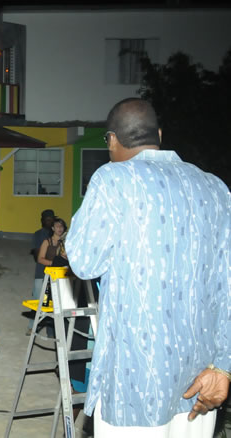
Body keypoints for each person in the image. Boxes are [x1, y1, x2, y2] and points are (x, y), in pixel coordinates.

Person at [67, 98, 230, 436]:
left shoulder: (113, 180)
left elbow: (83, 261)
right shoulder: (216, 188)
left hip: (134, 385)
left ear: (111, 139)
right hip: (199, 384)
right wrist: (224, 368)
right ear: (158, 134)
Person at [27, 209, 56, 333]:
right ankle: (33, 327)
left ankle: (51, 330)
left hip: (56, 273)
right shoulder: (38, 234)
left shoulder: (57, 235)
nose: (49, 222)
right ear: (42, 220)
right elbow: (37, 257)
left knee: (54, 301)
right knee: (38, 300)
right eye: (47, 219)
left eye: (51, 219)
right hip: (41, 272)